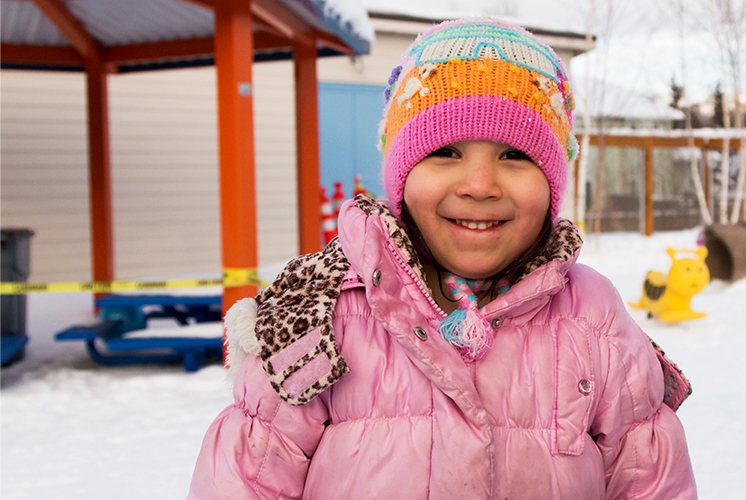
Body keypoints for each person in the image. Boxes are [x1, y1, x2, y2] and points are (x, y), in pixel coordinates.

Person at [188, 18, 696, 499]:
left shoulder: (595, 319)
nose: (479, 186)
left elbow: (648, 479)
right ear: (401, 177)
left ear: (553, 181)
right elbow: (248, 476)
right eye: (446, 152)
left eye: (514, 156)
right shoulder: (322, 312)